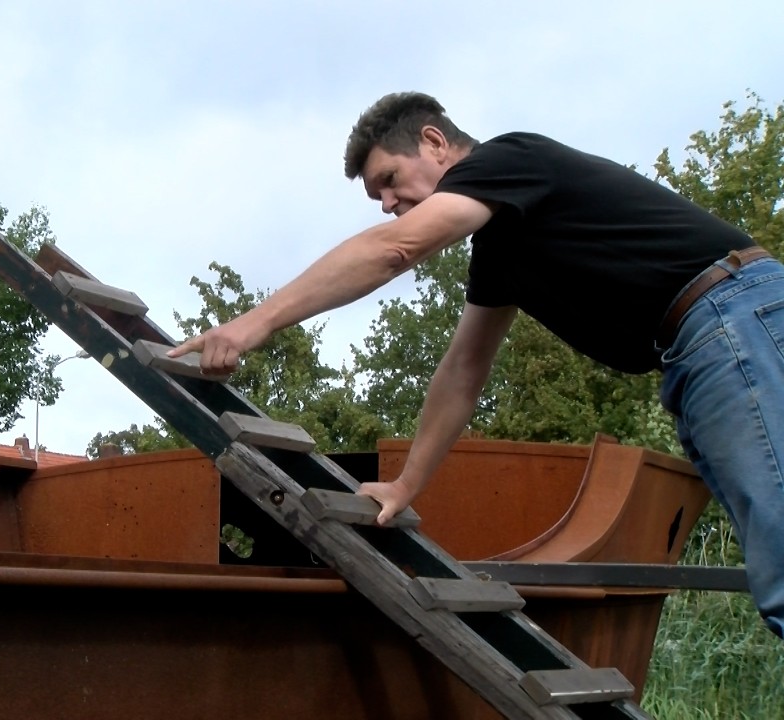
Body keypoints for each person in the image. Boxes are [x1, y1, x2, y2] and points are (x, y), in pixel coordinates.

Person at [167, 91, 784, 640]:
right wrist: (407, 484)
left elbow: (392, 251)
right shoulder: (501, 248)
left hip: (733, 317)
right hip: (704, 347)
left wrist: (249, 326)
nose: (387, 204)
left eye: (389, 179)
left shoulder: (509, 158)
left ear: (434, 143)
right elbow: (463, 371)